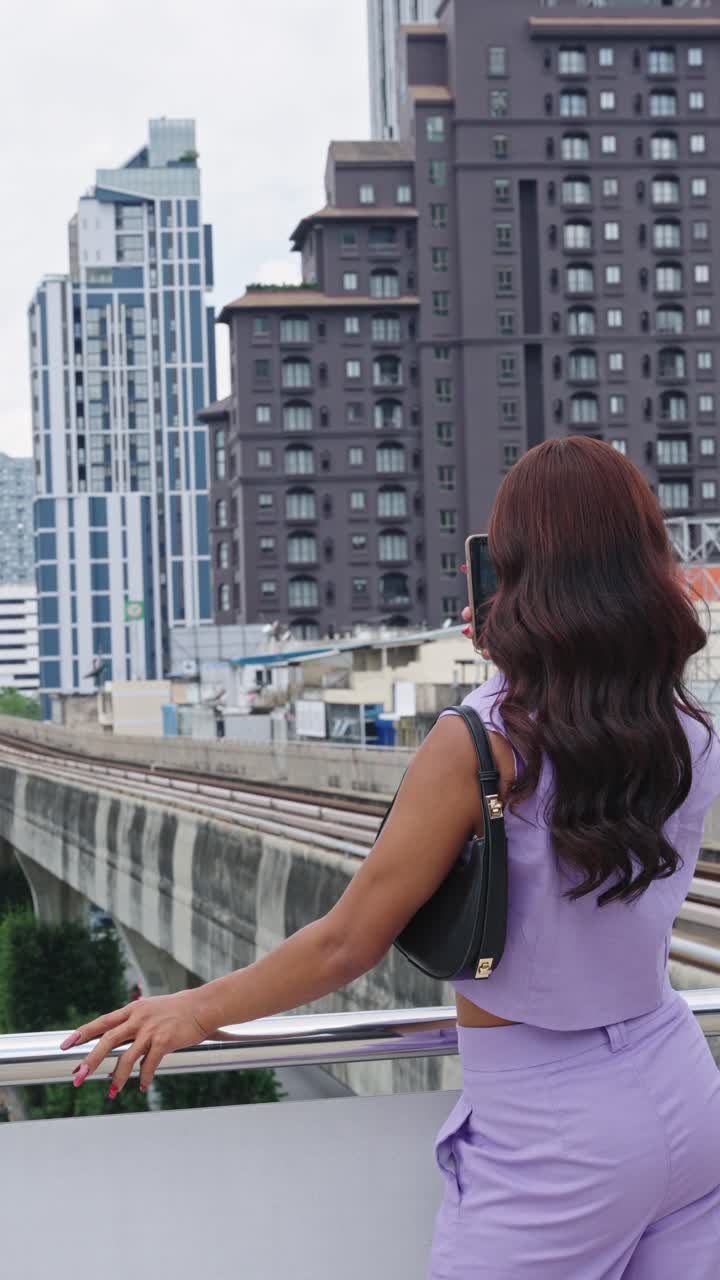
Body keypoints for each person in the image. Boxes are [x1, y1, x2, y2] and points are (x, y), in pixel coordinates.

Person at [61, 437, 720, 1278]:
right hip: (682, 1093)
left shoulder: (480, 743)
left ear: (515, 574)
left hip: (554, 1132)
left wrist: (196, 1011)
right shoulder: (685, 732)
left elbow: (350, 940)